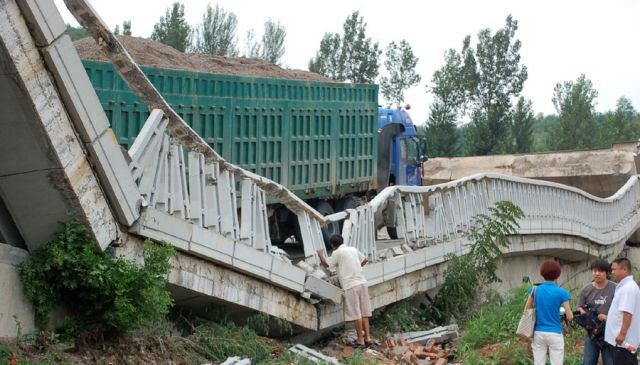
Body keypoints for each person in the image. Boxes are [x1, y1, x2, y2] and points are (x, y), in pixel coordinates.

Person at [317, 234, 372, 348]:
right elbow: (365, 260)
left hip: (350, 286)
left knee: (356, 314)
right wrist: (356, 268)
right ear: (342, 241)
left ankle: (360, 341)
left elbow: (327, 265)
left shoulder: (337, 253)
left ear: (332, 245)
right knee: (364, 313)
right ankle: (368, 338)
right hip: (362, 282)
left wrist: (320, 254)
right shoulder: (353, 249)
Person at [524, 260, 574, 365]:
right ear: (558, 275)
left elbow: (527, 310)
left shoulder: (534, 290)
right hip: (555, 333)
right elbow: (569, 317)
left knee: (538, 363)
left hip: (538, 333)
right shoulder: (562, 293)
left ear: (542, 273)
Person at [578, 259, 617, 365]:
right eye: (594, 271)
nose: (596, 273)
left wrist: (608, 318)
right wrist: (589, 316)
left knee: (610, 362)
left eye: (600, 271)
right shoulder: (586, 290)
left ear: (607, 273)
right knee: (589, 361)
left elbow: (621, 310)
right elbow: (580, 308)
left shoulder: (615, 288)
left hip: (610, 332)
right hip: (592, 333)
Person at [605, 258, 640, 365]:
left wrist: (622, 334)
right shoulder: (625, 286)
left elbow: (627, 312)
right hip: (621, 341)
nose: (612, 272)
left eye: (614, 269)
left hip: (623, 342)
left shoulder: (628, 288)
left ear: (624, 269)